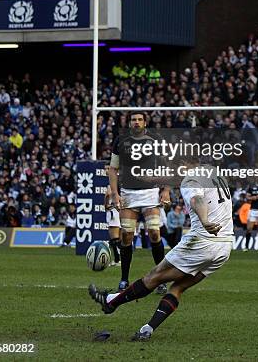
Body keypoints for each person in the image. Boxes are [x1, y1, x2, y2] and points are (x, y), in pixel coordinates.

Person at [89, 170, 233, 342]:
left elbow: (197, 199)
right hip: (224, 246)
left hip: (202, 241)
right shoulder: (215, 175)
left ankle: (111, 302)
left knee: (153, 277)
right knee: (177, 288)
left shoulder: (191, 179)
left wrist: (205, 221)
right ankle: (147, 329)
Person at [108, 112, 170, 292]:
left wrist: (165, 190)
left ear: (145, 122)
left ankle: (160, 279)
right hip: (128, 194)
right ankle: (124, 279)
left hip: (150, 193)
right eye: (133, 120)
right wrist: (115, 194)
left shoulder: (155, 139)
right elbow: (113, 169)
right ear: (129, 123)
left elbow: (167, 166)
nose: (136, 122)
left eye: (139, 119)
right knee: (126, 236)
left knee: (154, 234)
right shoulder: (121, 141)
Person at [104, 179, 121, 266]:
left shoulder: (112, 182)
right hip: (119, 210)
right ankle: (121, 259)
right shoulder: (121, 181)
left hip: (113, 211)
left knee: (114, 238)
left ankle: (118, 260)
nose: (106, 170)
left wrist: (106, 204)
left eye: (107, 168)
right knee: (119, 238)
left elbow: (108, 194)